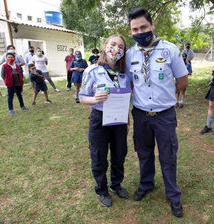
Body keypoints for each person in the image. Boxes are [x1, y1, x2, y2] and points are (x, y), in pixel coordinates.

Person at [126, 7, 188, 218]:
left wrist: (167, 96)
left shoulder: (170, 50)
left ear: (152, 26)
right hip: (141, 115)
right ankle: (146, 184)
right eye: (135, 29)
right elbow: (129, 84)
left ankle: (173, 195)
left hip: (164, 116)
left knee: (168, 155)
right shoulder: (130, 54)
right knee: (143, 153)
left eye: (143, 26)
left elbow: (182, 80)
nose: (139, 31)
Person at [79, 34, 130, 207]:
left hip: (120, 119)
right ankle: (102, 189)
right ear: (105, 46)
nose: (116, 48)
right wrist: (95, 99)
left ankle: (116, 184)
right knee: (99, 156)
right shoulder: (92, 71)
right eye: (113, 44)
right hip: (99, 118)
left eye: (120, 47)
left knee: (119, 154)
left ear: (123, 52)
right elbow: (82, 97)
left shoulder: (125, 74)